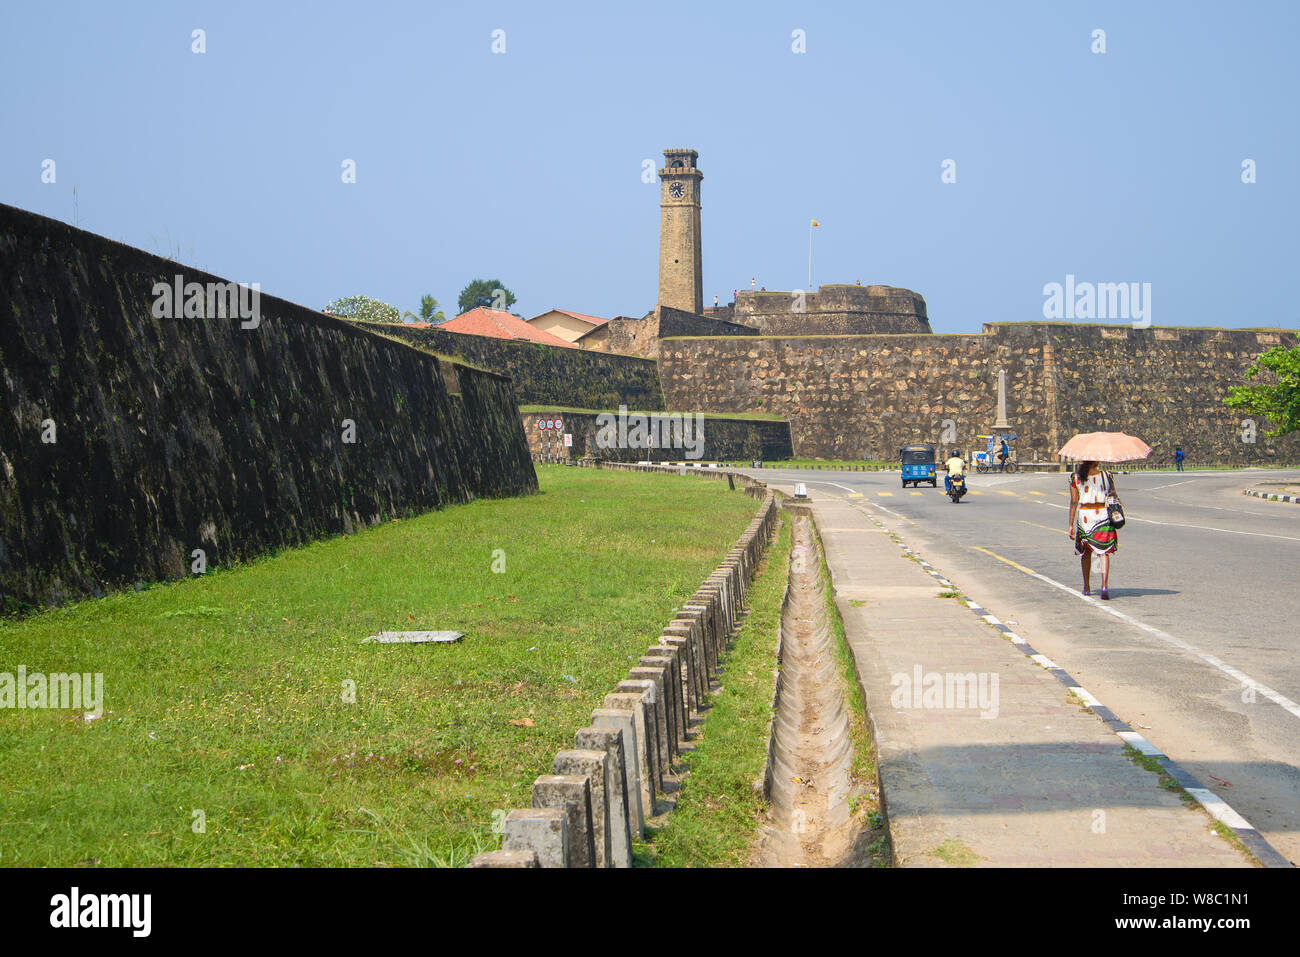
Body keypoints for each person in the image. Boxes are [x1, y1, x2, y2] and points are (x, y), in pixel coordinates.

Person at [1068, 460, 1118, 599]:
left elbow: (1073, 501)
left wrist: (1070, 524)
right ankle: (1104, 585)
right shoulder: (1107, 476)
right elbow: (1113, 496)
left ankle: (1086, 586)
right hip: (1103, 515)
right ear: (1096, 461)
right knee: (1104, 552)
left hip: (1085, 516)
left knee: (1086, 552)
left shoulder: (1075, 478)